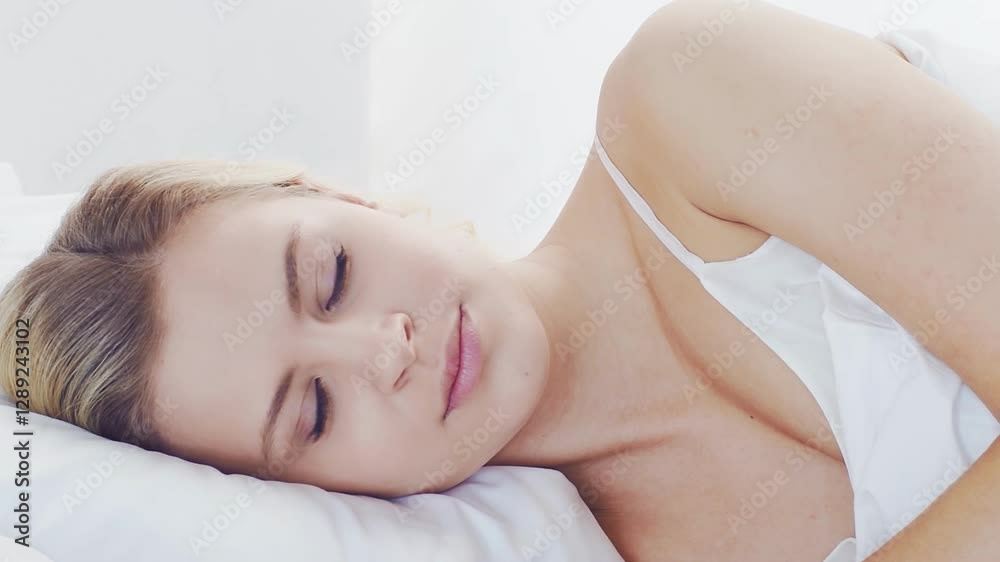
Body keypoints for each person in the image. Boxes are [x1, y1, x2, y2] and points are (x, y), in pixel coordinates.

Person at [3, 1, 999, 560]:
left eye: (332, 273)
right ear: (301, 492)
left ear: (350, 198)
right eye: (310, 410)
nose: (384, 348)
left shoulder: (692, 92)